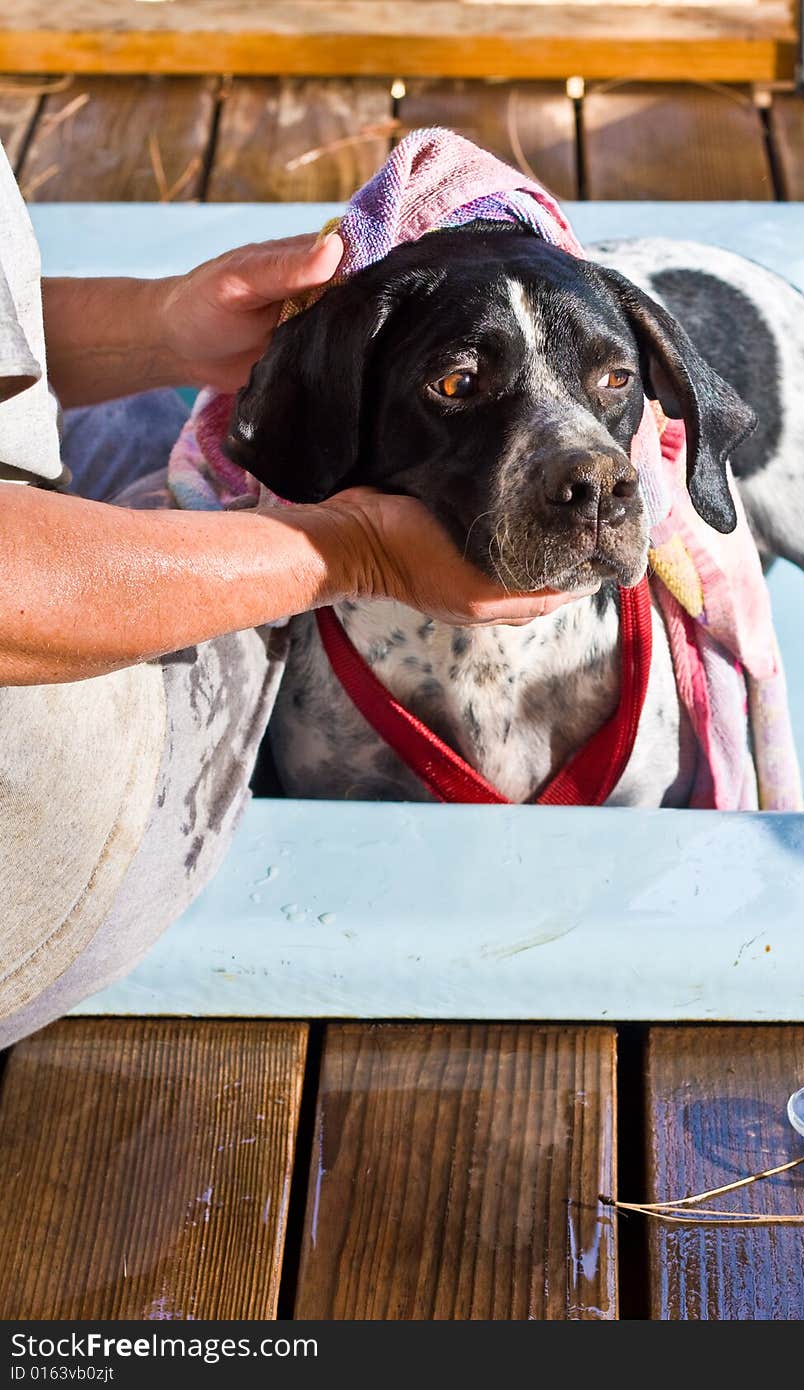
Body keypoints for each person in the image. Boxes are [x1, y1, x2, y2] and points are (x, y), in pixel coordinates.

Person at [0, 138, 572, 1044]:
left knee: (150, 419)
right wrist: (347, 553)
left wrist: (160, 328)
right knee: (194, 454)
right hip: (38, 871)